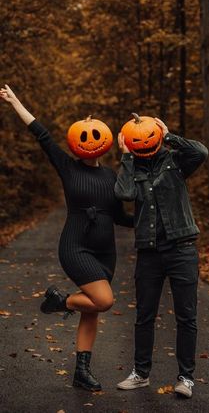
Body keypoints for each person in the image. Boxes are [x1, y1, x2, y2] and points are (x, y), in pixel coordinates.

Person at [0, 84, 133, 392]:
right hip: (75, 247)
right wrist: (15, 101)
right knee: (104, 301)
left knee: (92, 309)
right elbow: (41, 134)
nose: (90, 139)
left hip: (105, 253)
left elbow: (120, 217)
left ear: (108, 141)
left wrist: (151, 221)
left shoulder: (112, 176)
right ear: (76, 143)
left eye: (95, 135)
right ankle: (61, 301)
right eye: (84, 136)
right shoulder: (67, 167)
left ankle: (81, 372)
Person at [114, 117, 208, 398]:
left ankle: (186, 378)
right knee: (144, 315)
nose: (143, 141)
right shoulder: (133, 167)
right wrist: (127, 156)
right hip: (149, 251)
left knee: (186, 316)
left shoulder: (176, 161)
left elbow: (201, 152)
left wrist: (168, 136)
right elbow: (124, 193)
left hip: (182, 248)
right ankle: (141, 374)